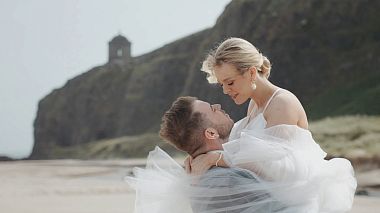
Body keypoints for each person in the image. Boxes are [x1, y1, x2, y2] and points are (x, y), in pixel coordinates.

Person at [184, 37, 357, 212]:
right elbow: (247, 151)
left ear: (251, 73)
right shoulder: (254, 104)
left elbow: (274, 168)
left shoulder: (282, 103)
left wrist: (216, 158)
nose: (225, 90)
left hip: (290, 199)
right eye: (222, 84)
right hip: (266, 195)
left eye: (230, 82)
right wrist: (201, 154)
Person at [126, 96, 288, 213]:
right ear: (211, 133)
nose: (218, 106)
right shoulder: (227, 179)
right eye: (212, 109)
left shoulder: (199, 177)